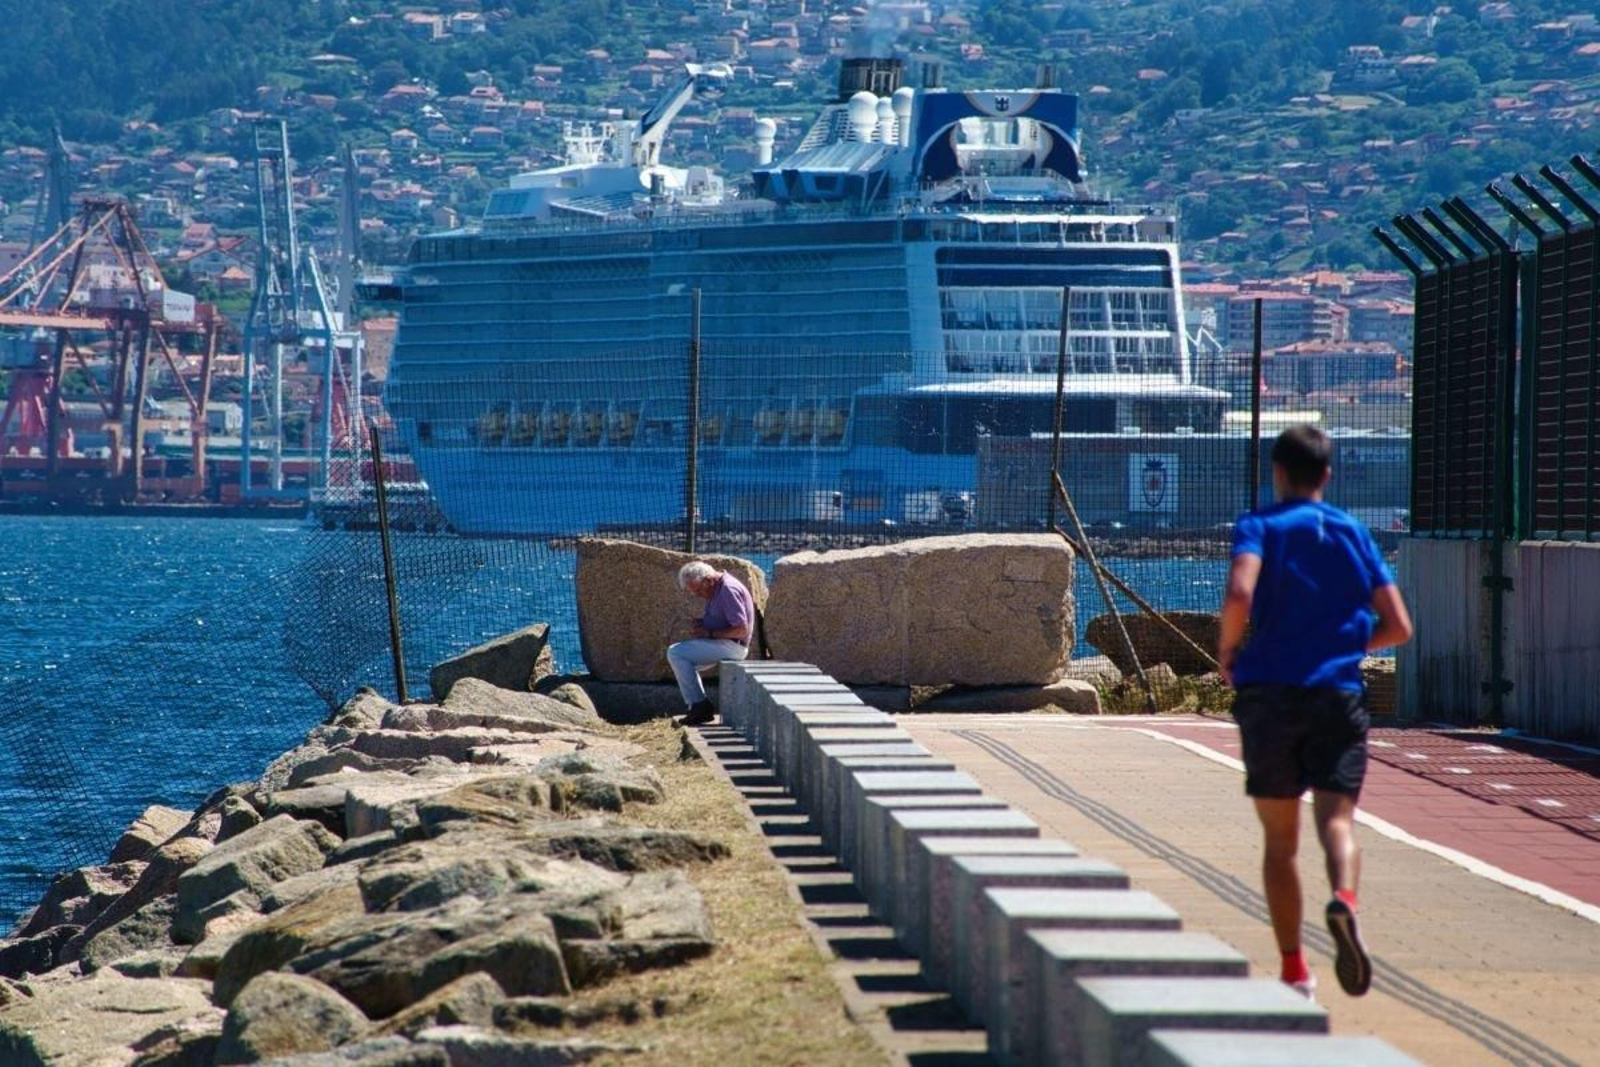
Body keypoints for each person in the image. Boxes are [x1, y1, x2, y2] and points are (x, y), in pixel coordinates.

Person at [1218, 424, 1414, 1000]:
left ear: (1276, 471)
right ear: (1327, 475)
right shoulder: (1352, 532)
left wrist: (1230, 650)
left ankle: (1295, 972)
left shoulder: (1259, 525)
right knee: (1337, 823)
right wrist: (1349, 646)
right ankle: (1344, 900)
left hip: (1270, 695)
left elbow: (1238, 595)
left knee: (1280, 845)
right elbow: (1399, 626)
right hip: (1337, 694)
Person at [667, 560, 753, 726]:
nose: (697, 595)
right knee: (684, 665)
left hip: (733, 647)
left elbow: (742, 629)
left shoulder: (728, 590)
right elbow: (726, 620)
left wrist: (709, 633)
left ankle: (700, 706)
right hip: (728, 643)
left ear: (708, 580)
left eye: (698, 590)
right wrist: (703, 623)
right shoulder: (718, 588)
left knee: (676, 653)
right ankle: (699, 705)